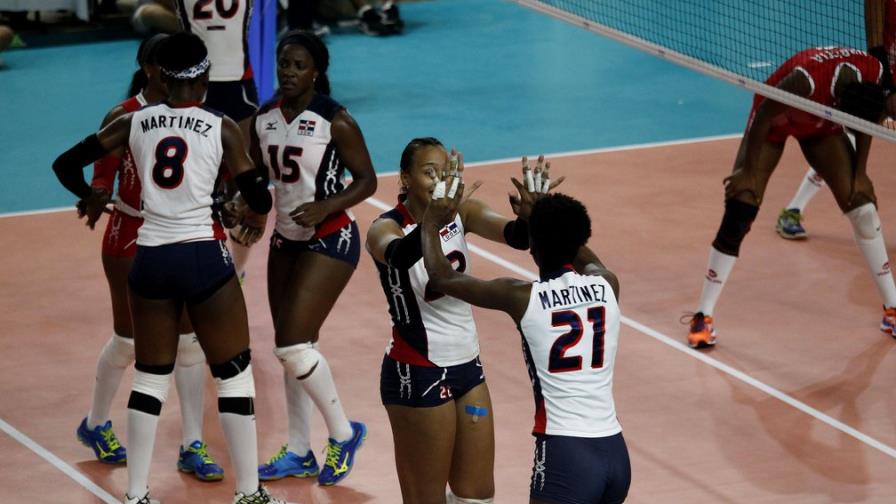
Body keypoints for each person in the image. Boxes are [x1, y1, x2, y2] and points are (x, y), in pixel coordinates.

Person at [52, 32, 286, 504]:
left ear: (161, 74)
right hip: (202, 256)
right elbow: (259, 198)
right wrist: (238, 204)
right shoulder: (221, 125)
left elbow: (65, 165)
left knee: (149, 378)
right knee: (233, 374)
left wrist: (92, 196)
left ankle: (136, 494)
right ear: (203, 76)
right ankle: (249, 493)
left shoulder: (133, 121)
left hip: (150, 257)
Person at [418, 159, 630, 504]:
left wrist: (430, 222)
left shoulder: (521, 297)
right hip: (615, 453)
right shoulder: (607, 284)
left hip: (566, 455)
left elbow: (442, 277)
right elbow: (578, 250)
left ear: (533, 247)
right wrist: (541, 216)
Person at [365, 140, 560, 502]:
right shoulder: (385, 228)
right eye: (429, 173)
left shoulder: (462, 212)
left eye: (445, 172)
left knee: (478, 497)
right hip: (418, 371)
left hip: (468, 367)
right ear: (405, 179)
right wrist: (431, 222)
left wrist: (533, 215)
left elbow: (517, 237)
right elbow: (399, 256)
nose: (439, 180)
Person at [73, 34, 225, 482]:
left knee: (190, 342)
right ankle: (96, 423)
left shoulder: (197, 113)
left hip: (186, 236)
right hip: (131, 233)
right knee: (128, 341)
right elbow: (101, 175)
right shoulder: (125, 116)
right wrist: (94, 195)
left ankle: (192, 444)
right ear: (149, 69)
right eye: (164, 63)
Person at [686, 46, 896, 348]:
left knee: (862, 207)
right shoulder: (805, 80)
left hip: (821, 122)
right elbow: (763, 114)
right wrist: (748, 171)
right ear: (840, 102)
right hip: (777, 118)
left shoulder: (872, 75)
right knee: (741, 205)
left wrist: (860, 173)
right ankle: (702, 315)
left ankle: (892, 309)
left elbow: (866, 122)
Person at [245, 30, 376, 487]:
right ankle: (299, 450)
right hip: (285, 239)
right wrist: (247, 207)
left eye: (299, 65)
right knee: (294, 348)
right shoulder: (264, 118)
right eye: (284, 63)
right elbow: (255, 178)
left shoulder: (335, 120)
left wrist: (326, 206)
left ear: (316, 72)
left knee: (292, 345)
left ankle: (344, 433)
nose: (288, 72)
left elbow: (367, 181)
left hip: (331, 236)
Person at [775, 0, 896, 239]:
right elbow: (876, 45)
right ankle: (793, 209)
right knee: (848, 143)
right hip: (886, 77)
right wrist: (888, 89)